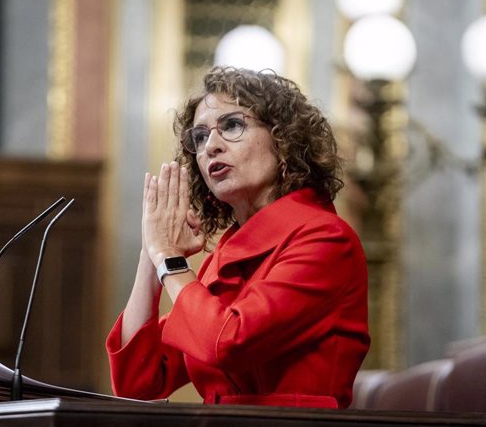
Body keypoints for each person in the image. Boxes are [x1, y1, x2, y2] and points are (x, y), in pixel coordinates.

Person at [105, 66, 370, 408]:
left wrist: (169, 259)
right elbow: (136, 382)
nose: (211, 146)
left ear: (283, 140)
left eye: (231, 125)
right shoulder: (226, 254)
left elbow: (227, 341)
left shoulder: (327, 240)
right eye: (199, 137)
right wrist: (151, 251)